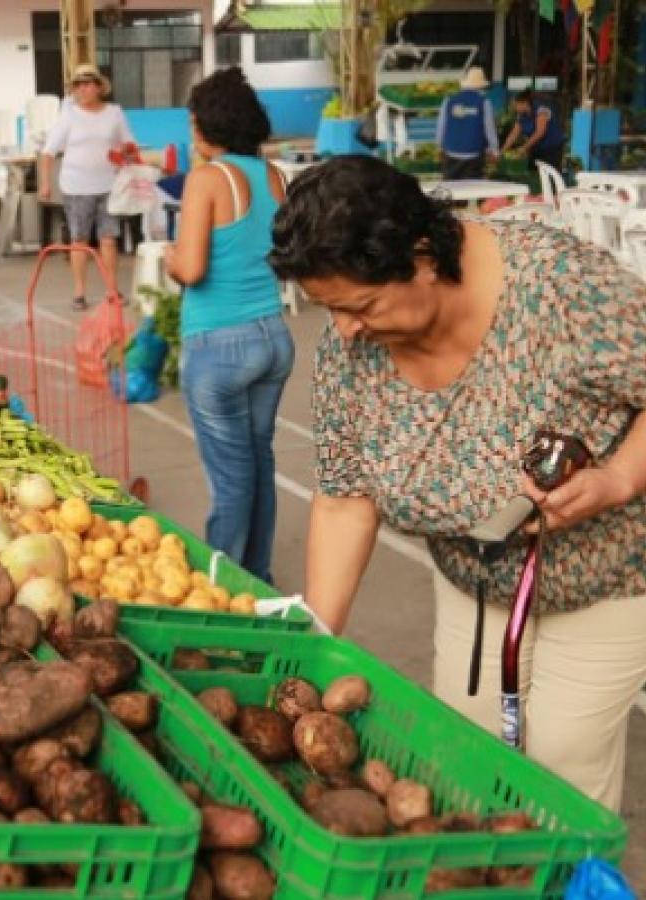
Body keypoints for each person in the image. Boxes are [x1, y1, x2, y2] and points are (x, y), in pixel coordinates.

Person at [269, 155, 646, 810]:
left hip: (607, 574)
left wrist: (618, 478)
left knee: (561, 771)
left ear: (421, 258)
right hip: (473, 575)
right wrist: (315, 646)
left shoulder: (557, 287)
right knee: (464, 763)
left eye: (359, 306)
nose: (345, 329)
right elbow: (343, 494)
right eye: (329, 309)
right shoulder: (348, 349)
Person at [162, 67, 293, 585]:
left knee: (232, 478)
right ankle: (258, 577)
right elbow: (285, 257)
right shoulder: (275, 177)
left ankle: (224, 588)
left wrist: (171, 256)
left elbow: (191, 269)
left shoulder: (209, 179)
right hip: (272, 337)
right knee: (258, 463)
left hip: (220, 346)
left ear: (204, 125)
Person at [39, 64, 135, 310]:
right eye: (78, 85)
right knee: (79, 240)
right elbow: (48, 152)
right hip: (76, 186)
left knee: (108, 239)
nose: (82, 89)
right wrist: (45, 183)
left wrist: (125, 153)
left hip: (108, 185)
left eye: (87, 83)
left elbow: (129, 143)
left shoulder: (114, 113)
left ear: (99, 87)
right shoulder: (69, 115)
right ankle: (79, 292)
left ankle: (112, 290)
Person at [436, 67, 499, 180]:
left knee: (451, 190)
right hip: (474, 154)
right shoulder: (484, 102)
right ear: (481, 86)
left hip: (451, 153)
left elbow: (441, 126)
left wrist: (439, 147)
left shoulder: (448, 101)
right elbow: (490, 129)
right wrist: (494, 151)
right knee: (472, 191)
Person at [502, 89, 567, 173]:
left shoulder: (541, 110)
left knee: (549, 173)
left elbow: (540, 132)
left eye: (516, 105)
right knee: (533, 172)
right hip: (536, 148)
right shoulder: (521, 115)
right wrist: (503, 150)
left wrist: (524, 148)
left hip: (551, 148)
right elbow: (514, 134)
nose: (514, 108)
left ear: (524, 103)